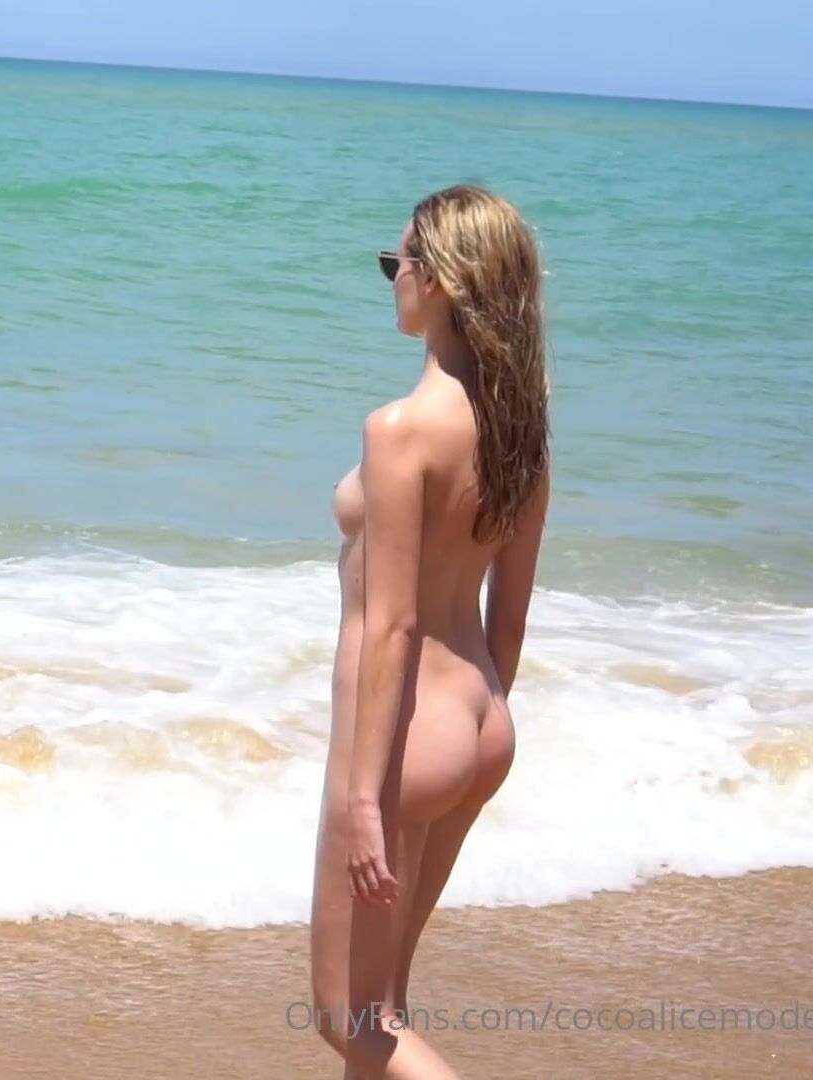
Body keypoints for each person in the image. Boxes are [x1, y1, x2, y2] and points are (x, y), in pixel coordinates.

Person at [308, 184, 553, 1079]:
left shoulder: (400, 431)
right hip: (480, 722)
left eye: (397, 262)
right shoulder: (521, 433)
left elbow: (394, 626)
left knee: (347, 1016)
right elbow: (509, 617)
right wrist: (473, 733)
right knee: (386, 1007)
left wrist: (365, 799)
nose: (393, 279)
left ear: (439, 278)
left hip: (403, 740)